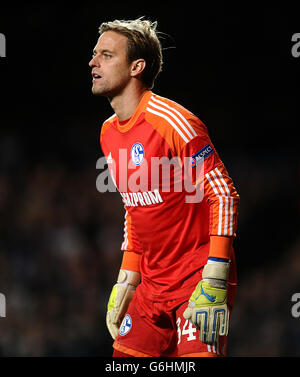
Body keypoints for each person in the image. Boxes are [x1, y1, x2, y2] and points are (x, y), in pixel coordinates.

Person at [89, 17, 239, 357]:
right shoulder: (108, 133)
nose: (93, 62)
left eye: (107, 55)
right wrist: (127, 277)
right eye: (95, 54)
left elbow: (223, 192)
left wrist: (215, 275)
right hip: (151, 285)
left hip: (197, 279)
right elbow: (134, 206)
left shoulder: (173, 121)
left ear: (136, 67)